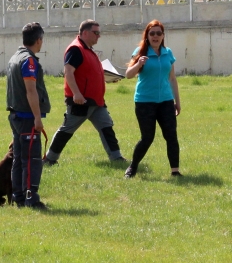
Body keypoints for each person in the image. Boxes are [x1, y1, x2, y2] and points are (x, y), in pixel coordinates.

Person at [44, 19, 127, 165]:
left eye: (99, 33)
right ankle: (49, 159)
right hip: (81, 101)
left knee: (107, 127)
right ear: (85, 33)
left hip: (96, 101)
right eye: (96, 33)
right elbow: (68, 71)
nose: (98, 36)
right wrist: (76, 94)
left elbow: (88, 73)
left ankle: (116, 157)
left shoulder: (88, 49)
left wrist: (108, 78)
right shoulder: (76, 49)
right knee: (67, 130)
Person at [123, 20, 181, 179]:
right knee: (147, 137)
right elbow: (128, 75)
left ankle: (175, 171)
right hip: (145, 101)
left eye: (158, 33)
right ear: (147, 36)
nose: (155, 36)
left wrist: (177, 102)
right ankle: (132, 168)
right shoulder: (140, 51)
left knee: (171, 135)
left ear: (163, 36)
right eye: (152, 33)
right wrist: (138, 63)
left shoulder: (168, 52)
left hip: (166, 101)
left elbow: (172, 79)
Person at [7, 23, 51, 209]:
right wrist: (38, 119)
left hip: (15, 115)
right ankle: (31, 198)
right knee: (32, 159)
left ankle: (18, 195)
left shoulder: (15, 57)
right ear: (39, 40)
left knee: (18, 158)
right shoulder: (29, 61)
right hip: (27, 118)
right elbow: (30, 91)